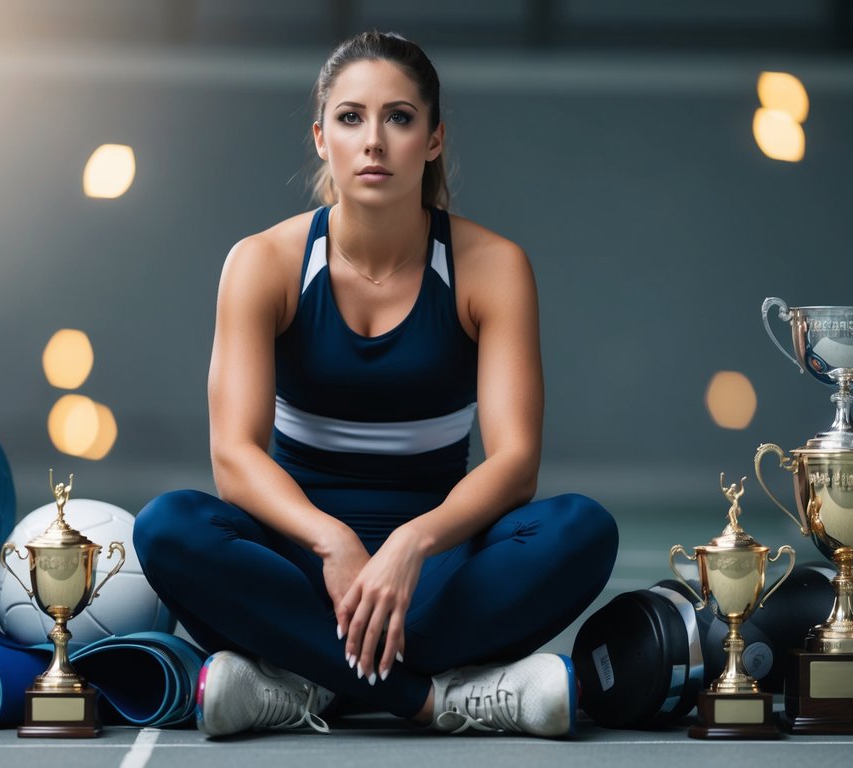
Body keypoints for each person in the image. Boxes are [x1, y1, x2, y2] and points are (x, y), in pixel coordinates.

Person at [134, 30, 617, 739]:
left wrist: (411, 546)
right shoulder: (262, 262)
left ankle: (306, 679)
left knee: (581, 530)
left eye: (398, 117)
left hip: (434, 566)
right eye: (351, 117)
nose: (373, 140)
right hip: (298, 560)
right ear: (321, 136)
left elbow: (513, 464)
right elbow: (234, 457)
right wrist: (332, 543)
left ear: (432, 140)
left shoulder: (492, 266)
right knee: (168, 527)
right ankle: (435, 700)